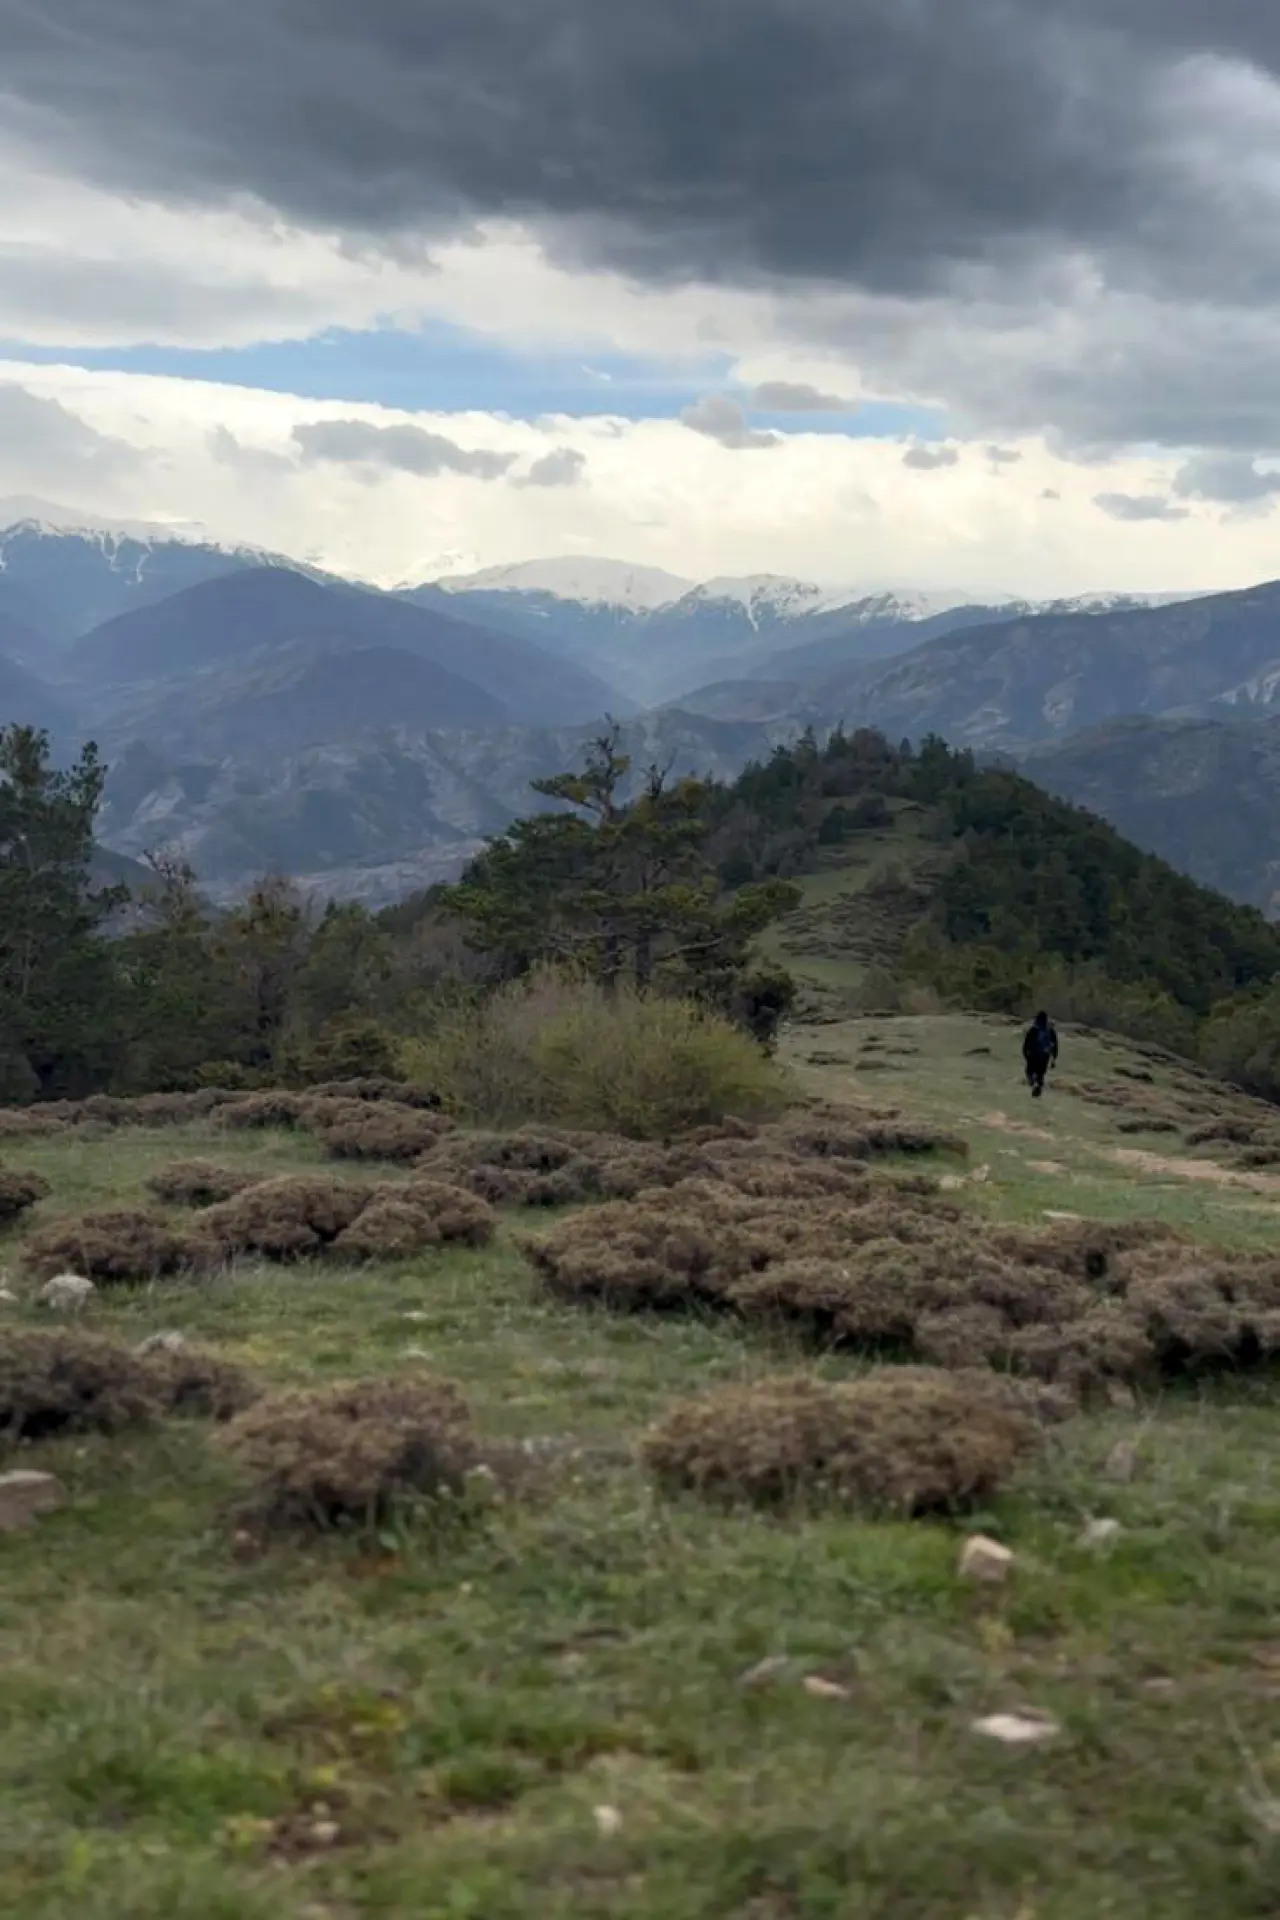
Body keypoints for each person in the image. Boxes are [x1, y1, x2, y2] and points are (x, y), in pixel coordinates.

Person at [1022, 1009, 1059, 1098]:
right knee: (1040, 1074)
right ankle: (1038, 1088)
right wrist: (1054, 1058)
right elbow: (1055, 1045)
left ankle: (1033, 1084)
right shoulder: (1050, 1031)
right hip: (1044, 1056)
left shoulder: (1033, 1029)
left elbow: (1026, 1044)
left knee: (1029, 1071)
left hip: (1033, 1055)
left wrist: (1026, 1055)